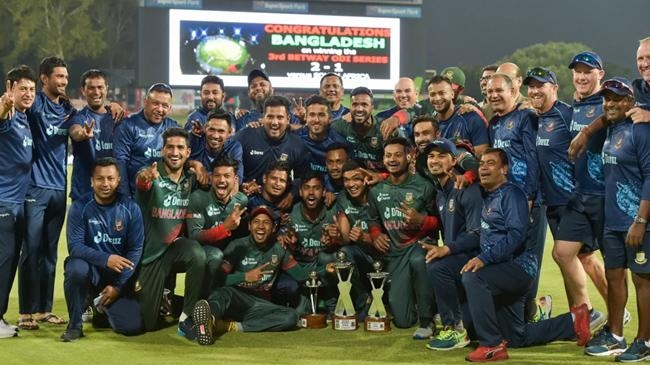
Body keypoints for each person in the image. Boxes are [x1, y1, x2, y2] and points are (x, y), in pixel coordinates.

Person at [461, 148, 590, 362]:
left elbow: (516, 236)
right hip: (503, 270)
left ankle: (491, 345)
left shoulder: (512, 194)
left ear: (504, 169)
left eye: (490, 163)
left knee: (473, 277)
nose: (483, 167)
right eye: (481, 163)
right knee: (516, 336)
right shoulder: (490, 197)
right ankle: (574, 321)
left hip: (518, 268)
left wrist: (483, 259)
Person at [584, 78, 650, 362]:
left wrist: (640, 221)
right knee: (614, 277)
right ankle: (615, 335)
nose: (610, 103)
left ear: (630, 102)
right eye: (607, 98)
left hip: (637, 223)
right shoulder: (610, 130)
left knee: (643, 281)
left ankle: (645, 340)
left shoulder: (641, 131)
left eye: (617, 98)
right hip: (612, 222)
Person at [183, 206, 309, 345]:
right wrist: (244, 277)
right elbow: (217, 280)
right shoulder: (237, 246)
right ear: (249, 226)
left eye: (266, 222)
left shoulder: (279, 249)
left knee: (291, 316)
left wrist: (327, 267)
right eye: (256, 222)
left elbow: (301, 275)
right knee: (222, 294)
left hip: (259, 305)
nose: (261, 226)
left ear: (273, 228)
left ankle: (226, 326)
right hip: (236, 299)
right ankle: (208, 320)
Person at [558, 51, 615, 330]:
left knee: (614, 266)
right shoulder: (576, 104)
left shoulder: (609, 98)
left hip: (606, 196)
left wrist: (587, 132)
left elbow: (622, 108)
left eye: (588, 71)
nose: (581, 76)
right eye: (577, 71)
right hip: (580, 194)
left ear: (600, 74)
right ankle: (591, 313)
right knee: (563, 252)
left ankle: (616, 320)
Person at [19, 57, 76, 329]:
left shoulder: (66, 108)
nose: (64, 81)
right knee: (31, 249)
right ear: (44, 79)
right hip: (34, 188)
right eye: (59, 77)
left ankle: (44, 309)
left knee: (50, 253)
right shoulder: (35, 104)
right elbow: (16, 104)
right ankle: (25, 312)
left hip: (58, 190)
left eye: (66, 77)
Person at [60, 157, 144, 341]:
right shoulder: (80, 207)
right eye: (100, 179)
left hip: (117, 276)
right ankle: (75, 325)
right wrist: (106, 259)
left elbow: (135, 251)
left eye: (110, 178)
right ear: (91, 181)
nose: (105, 183)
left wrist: (118, 287)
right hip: (90, 272)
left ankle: (100, 308)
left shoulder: (131, 208)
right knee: (75, 268)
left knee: (132, 327)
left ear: (118, 180)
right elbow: (75, 247)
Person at [133, 128, 207, 333]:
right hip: (150, 256)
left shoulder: (190, 179)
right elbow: (142, 182)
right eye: (170, 147)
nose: (175, 152)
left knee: (197, 254)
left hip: (174, 250)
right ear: (162, 150)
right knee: (147, 325)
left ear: (188, 152)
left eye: (180, 148)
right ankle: (166, 298)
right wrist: (146, 178)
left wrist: (196, 165)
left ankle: (187, 317)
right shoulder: (152, 174)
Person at [367, 137, 439, 339]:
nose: (392, 159)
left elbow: (440, 221)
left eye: (398, 155)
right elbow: (372, 218)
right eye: (388, 155)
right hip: (395, 254)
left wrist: (422, 221)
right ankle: (421, 301)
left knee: (419, 260)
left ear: (409, 156)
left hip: (419, 245)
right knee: (403, 321)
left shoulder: (424, 186)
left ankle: (427, 320)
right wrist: (375, 234)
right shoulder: (377, 190)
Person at [487, 73, 545, 322]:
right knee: (508, 256)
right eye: (489, 92)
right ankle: (512, 313)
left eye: (499, 90)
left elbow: (534, 158)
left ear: (513, 92)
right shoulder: (494, 124)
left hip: (527, 202)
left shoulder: (526, 117)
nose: (494, 95)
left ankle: (530, 312)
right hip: (504, 204)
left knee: (528, 258)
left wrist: (530, 197)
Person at [415, 139, 482, 351]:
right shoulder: (441, 192)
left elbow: (478, 236)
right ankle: (460, 323)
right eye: (431, 156)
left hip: (476, 257)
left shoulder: (466, 189)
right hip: (459, 258)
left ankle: (454, 328)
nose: (434, 160)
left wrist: (446, 249)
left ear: (453, 161)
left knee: (437, 266)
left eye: (441, 156)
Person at [0, 65, 36, 338]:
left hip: (18, 203)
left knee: (10, 261)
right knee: (4, 259)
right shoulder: (9, 113)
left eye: (31, 89)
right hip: (3, 203)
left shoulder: (24, 117)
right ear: (10, 87)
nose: (28, 93)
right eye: (22, 88)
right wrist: (3, 107)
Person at [186, 157, 248, 296]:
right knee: (216, 255)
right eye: (217, 175)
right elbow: (194, 236)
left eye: (227, 176)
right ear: (211, 177)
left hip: (226, 250)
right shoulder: (198, 198)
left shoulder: (241, 201)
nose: (221, 180)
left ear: (235, 180)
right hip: (199, 249)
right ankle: (205, 302)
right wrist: (224, 228)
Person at [232, 95, 310, 204]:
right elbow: (229, 169)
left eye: (280, 117)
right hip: (247, 203)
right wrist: (240, 186)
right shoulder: (244, 137)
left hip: (280, 205)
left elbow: (304, 177)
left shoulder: (297, 145)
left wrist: (293, 193)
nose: (274, 122)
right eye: (270, 117)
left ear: (288, 119)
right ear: (263, 117)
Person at [113, 82, 180, 197]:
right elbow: (120, 163)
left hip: (163, 199)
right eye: (156, 103)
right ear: (145, 102)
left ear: (170, 108)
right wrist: (125, 198)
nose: (160, 109)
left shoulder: (174, 128)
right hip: (136, 196)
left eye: (165, 105)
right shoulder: (128, 125)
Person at [68, 69, 117, 201]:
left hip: (112, 195)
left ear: (106, 89)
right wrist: (82, 134)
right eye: (91, 88)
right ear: (83, 91)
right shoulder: (78, 118)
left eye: (100, 87)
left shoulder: (117, 118)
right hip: (83, 194)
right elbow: (74, 131)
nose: (96, 92)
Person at [427, 75, 489, 156]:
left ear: (452, 94)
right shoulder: (430, 123)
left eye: (442, 93)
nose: (437, 98)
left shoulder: (470, 118)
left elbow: (482, 156)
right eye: (432, 94)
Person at [331, 87, 385, 173]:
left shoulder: (384, 129)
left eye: (364, 105)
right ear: (350, 107)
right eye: (355, 104)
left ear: (372, 107)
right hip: (351, 181)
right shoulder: (341, 126)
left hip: (381, 182)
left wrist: (381, 177)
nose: (359, 109)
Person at [295, 95, 350, 174]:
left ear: (329, 118)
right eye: (312, 115)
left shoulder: (340, 143)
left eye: (321, 115)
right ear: (306, 117)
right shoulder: (296, 138)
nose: (316, 120)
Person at [188, 108, 243, 184]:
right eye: (211, 130)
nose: (215, 136)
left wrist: (207, 177)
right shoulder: (195, 140)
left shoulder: (234, 147)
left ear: (229, 132)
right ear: (205, 128)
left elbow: (237, 179)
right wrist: (194, 163)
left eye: (221, 131)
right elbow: (177, 162)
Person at [234, 69, 301, 130]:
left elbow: (303, 132)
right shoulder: (243, 118)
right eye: (253, 86)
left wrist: (282, 125)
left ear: (271, 89)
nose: (258, 88)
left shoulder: (287, 115)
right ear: (249, 93)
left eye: (262, 84)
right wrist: (248, 130)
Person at [185, 75, 231, 157]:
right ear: (201, 95)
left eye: (215, 93)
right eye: (206, 93)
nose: (210, 97)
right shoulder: (194, 119)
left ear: (223, 96)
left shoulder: (230, 117)